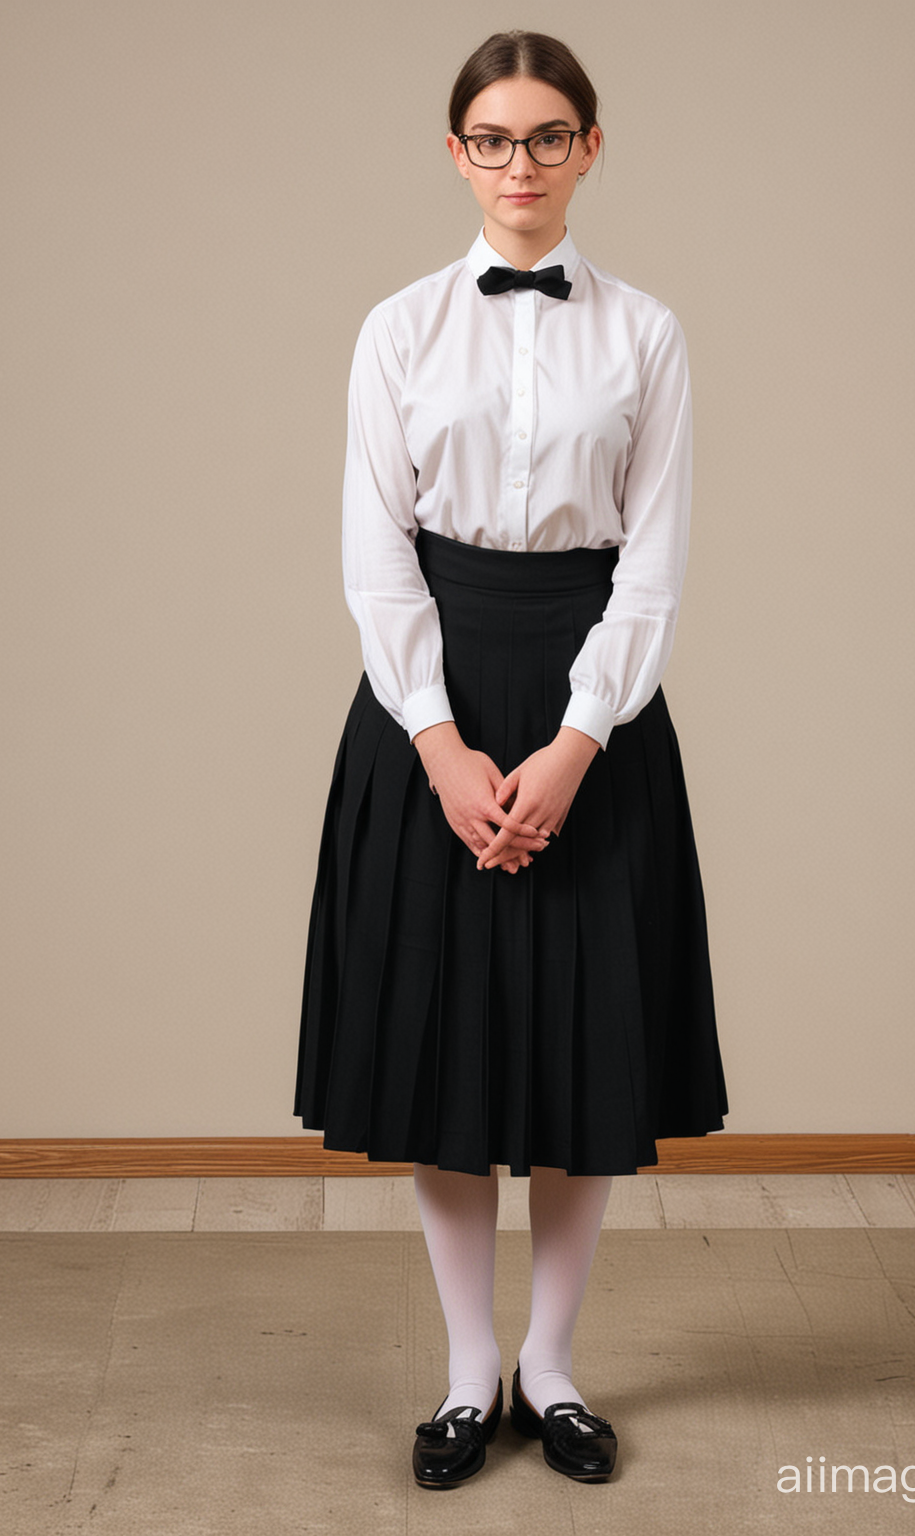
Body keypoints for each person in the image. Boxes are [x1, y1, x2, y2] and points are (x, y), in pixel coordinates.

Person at [295, 29, 728, 1488]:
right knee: (446, 1046)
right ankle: (468, 1373)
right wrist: (436, 742)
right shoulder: (396, 328)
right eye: (495, 137)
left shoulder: (650, 334)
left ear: (589, 149)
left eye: (550, 136)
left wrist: (576, 744)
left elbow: (655, 571)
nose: (523, 163)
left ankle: (553, 1365)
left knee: (583, 1042)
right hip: (431, 704)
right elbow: (374, 562)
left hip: (594, 707)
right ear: (457, 153)